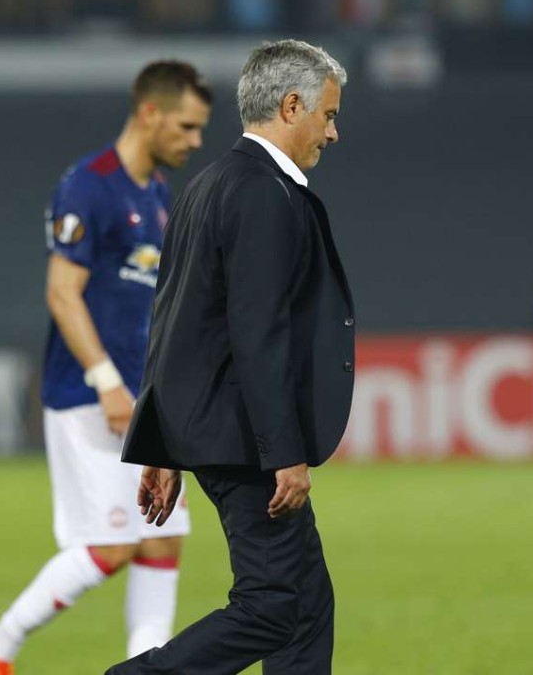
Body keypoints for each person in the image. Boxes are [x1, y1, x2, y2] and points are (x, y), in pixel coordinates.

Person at [104, 39, 355, 675]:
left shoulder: (208, 186)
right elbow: (257, 330)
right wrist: (283, 452)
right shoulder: (263, 193)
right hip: (246, 438)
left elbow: (175, 317)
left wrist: (163, 445)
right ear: (291, 106)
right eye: (327, 115)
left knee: (306, 603)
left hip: (223, 430)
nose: (333, 132)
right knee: (271, 606)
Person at [0, 60, 212, 675]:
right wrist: (106, 382)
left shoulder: (157, 194)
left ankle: (144, 668)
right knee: (111, 544)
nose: (196, 140)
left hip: (144, 397)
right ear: (149, 113)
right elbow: (61, 292)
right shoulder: (88, 186)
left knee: (161, 539)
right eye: (186, 126)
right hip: (88, 395)